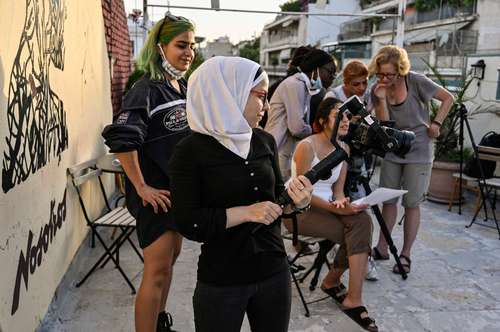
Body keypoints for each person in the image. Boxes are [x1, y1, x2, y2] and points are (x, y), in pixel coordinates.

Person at [168, 56, 313, 332]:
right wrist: (247, 212)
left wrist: (299, 202)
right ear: (227, 94)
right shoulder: (190, 151)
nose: (267, 107)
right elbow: (188, 222)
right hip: (223, 278)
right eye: (260, 96)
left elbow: (278, 199)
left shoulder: (264, 140)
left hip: (273, 271)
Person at [102, 13, 196, 332]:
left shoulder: (179, 86)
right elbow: (121, 138)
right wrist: (141, 186)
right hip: (155, 195)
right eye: (181, 45)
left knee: (169, 265)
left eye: (192, 46)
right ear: (160, 47)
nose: (188, 52)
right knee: (155, 272)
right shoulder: (146, 88)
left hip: (176, 193)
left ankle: (160, 322)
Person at [283, 97, 378, 332]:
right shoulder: (308, 146)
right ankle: (340, 288)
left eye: (347, 116)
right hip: (298, 212)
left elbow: (337, 191)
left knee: (362, 221)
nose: (346, 120)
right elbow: (299, 194)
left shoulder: (344, 148)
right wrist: (339, 209)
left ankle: (342, 288)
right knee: (358, 232)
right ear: (324, 120)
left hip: (326, 210)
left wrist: (343, 202)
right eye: (339, 116)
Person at [369, 45, 454, 274]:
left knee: (412, 203)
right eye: (381, 74)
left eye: (390, 74)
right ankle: (382, 247)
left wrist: (436, 124)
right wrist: (381, 100)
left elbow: (448, 98)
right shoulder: (377, 89)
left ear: (401, 70)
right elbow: (386, 126)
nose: (385, 78)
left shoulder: (416, 81)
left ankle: (406, 254)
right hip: (392, 149)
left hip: (419, 150)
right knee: (388, 199)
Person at [324, 60, 378, 281]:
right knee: (337, 203)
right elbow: (326, 129)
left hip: (357, 157)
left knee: (360, 204)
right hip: (335, 155)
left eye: (365, 83)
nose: (362, 88)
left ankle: (365, 258)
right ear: (346, 82)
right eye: (356, 84)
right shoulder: (333, 97)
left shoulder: (366, 97)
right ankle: (339, 249)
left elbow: (375, 123)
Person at [264, 49, 337, 182]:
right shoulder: (295, 85)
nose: (332, 77)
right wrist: (316, 131)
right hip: (278, 149)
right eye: (330, 72)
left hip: (285, 151)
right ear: (316, 69)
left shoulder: (305, 87)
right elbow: (297, 128)